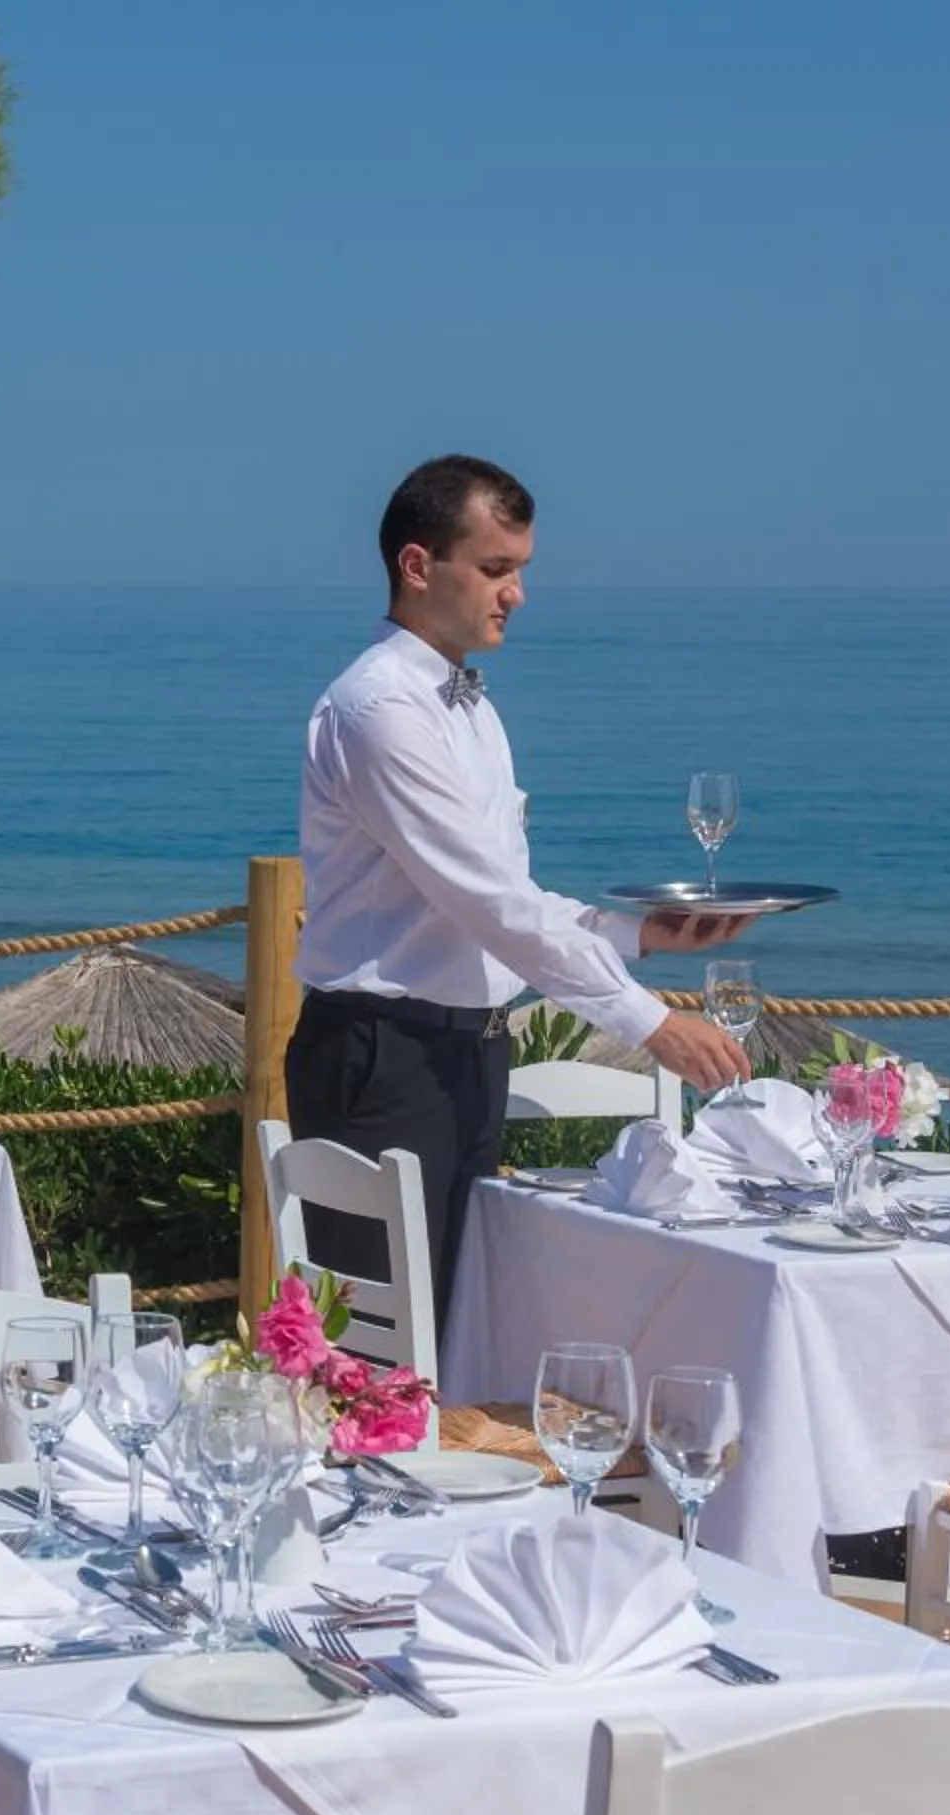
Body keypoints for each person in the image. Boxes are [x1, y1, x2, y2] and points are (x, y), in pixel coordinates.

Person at [288, 453, 754, 1306]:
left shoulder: (472, 707)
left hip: (469, 1053)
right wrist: (649, 1025)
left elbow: (507, 895)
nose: (517, 593)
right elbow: (488, 903)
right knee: (378, 1348)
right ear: (419, 565)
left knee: (458, 1330)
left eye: (521, 571)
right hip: (383, 1057)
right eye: (497, 569)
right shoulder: (380, 710)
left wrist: (638, 932)